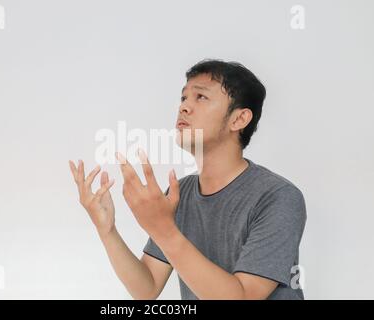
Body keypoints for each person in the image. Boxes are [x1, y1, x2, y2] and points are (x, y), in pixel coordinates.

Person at [69, 59, 307, 300]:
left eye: (201, 97)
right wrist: (107, 230)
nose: (184, 107)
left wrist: (164, 229)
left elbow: (243, 297)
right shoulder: (179, 194)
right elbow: (146, 288)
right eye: (184, 98)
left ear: (239, 119)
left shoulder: (279, 197)